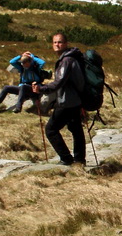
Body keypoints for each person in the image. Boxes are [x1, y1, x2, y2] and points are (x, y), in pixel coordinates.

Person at [33, 33, 86, 165]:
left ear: (66, 43)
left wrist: (42, 89)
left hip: (66, 101)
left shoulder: (66, 60)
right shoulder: (72, 58)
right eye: (55, 42)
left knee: (51, 129)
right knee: (76, 130)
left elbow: (59, 82)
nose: (57, 45)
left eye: (60, 42)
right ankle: (79, 160)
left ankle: (66, 158)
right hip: (76, 100)